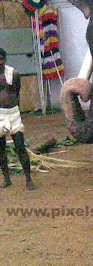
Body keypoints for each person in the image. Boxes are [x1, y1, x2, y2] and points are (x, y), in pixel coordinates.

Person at [0, 48, 35, 190]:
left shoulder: (14, 74)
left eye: (1, 59)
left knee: (20, 146)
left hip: (13, 114)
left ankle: (29, 179)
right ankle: (7, 179)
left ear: (5, 60)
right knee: (1, 149)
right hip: (0, 114)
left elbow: (17, 94)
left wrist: (18, 112)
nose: (0, 62)